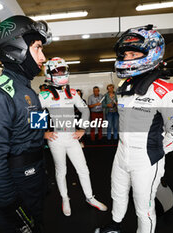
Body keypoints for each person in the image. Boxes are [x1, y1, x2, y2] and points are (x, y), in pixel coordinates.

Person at [95, 25, 173, 233]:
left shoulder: (169, 91)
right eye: (125, 53)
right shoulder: (124, 86)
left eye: (133, 53)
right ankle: (115, 225)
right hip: (121, 154)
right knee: (117, 194)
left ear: (152, 52)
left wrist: (155, 151)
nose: (127, 58)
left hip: (146, 159)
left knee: (143, 209)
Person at [0, 15, 51, 233]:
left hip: (36, 178)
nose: (43, 57)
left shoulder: (27, 90)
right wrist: (13, 208)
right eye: (38, 48)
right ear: (17, 49)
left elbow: (34, 128)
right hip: (18, 187)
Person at [39, 57, 107, 216]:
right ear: (49, 73)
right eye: (58, 71)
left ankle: (90, 197)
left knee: (83, 169)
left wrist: (82, 128)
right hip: (56, 140)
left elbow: (85, 110)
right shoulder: (44, 95)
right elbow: (35, 113)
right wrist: (42, 133)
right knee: (61, 171)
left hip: (72, 138)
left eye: (63, 70)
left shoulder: (73, 92)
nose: (62, 73)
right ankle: (65, 198)